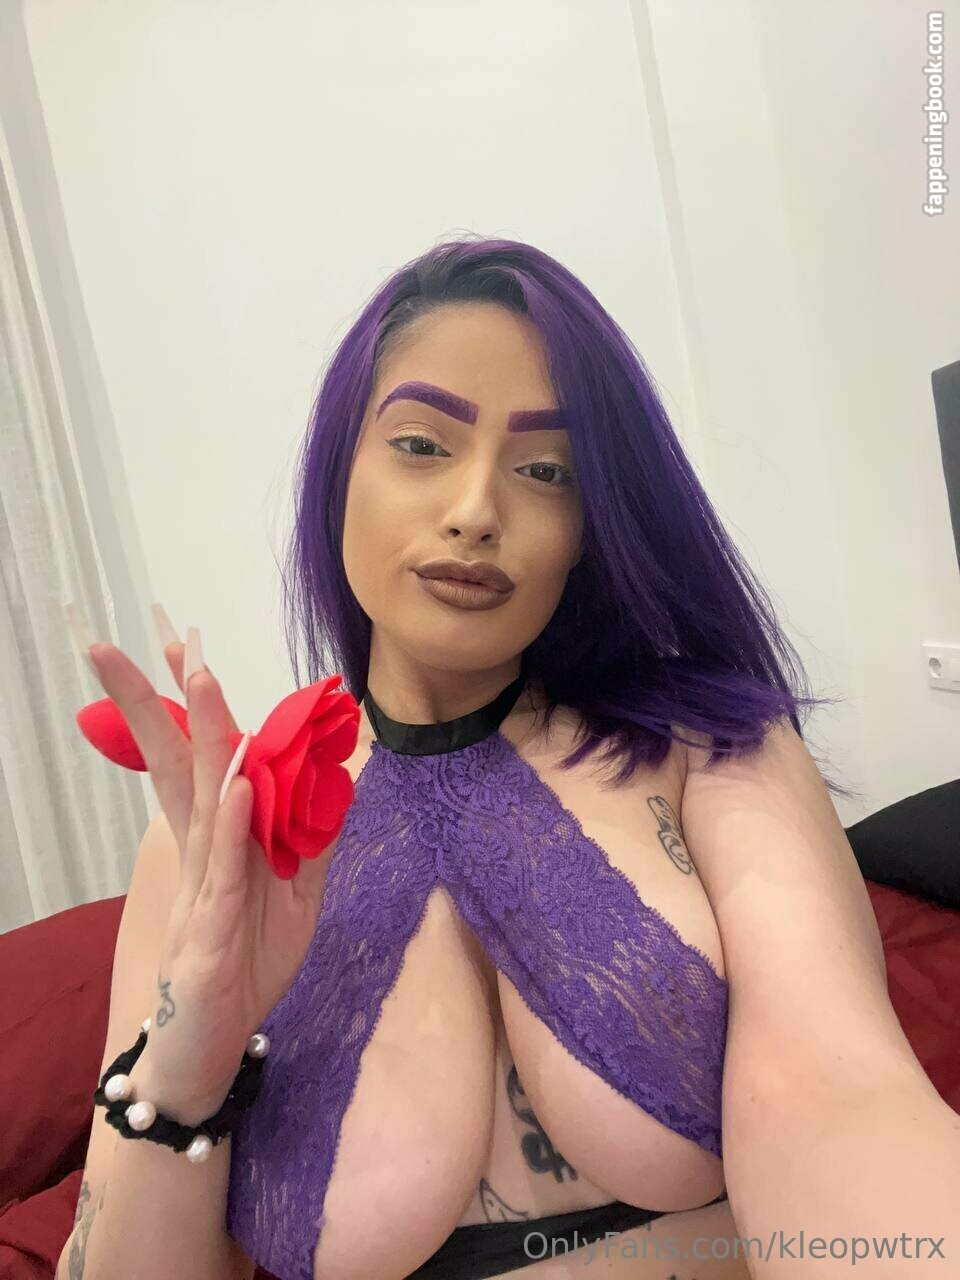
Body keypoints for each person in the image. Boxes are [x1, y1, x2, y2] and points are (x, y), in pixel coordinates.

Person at [61, 237, 960, 1280]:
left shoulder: (710, 747)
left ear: (591, 524)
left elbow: (842, 1095)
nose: (477, 511)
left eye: (546, 470)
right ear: (339, 472)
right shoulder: (212, 842)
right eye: (421, 444)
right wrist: (190, 1055)